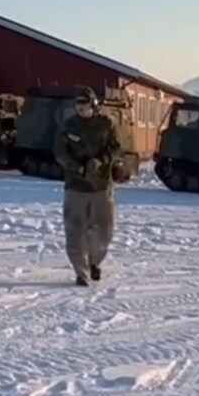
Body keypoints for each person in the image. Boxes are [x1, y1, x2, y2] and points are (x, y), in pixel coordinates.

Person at [53, 93, 118, 285]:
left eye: (85, 104)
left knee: (104, 229)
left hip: (101, 185)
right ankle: (81, 272)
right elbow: (60, 153)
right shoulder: (68, 126)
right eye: (78, 104)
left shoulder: (107, 124)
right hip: (76, 186)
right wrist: (78, 168)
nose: (81, 108)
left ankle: (94, 262)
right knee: (75, 230)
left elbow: (116, 148)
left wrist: (102, 161)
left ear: (94, 104)